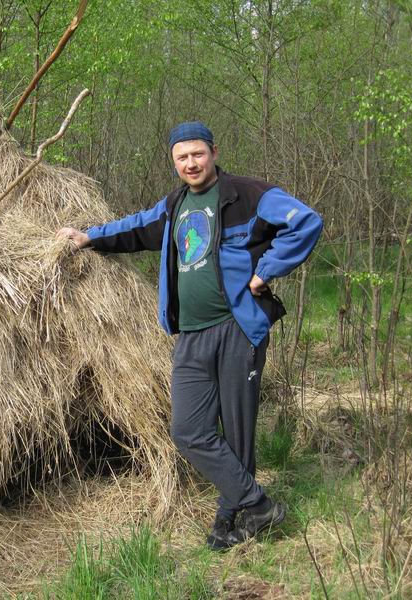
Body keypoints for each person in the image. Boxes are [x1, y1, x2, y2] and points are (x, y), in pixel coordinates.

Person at [57, 122, 323, 550]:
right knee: (188, 429)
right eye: (182, 157)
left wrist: (265, 273)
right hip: (192, 336)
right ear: (174, 161)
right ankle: (258, 504)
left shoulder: (249, 194)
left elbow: (306, 222)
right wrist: (89, 237)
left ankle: (230, 518)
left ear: (214, 153)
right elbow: (136, 226)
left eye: (198, 154)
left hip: (238, 328)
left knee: (237, 431)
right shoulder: (175, 204)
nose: (191, 163)